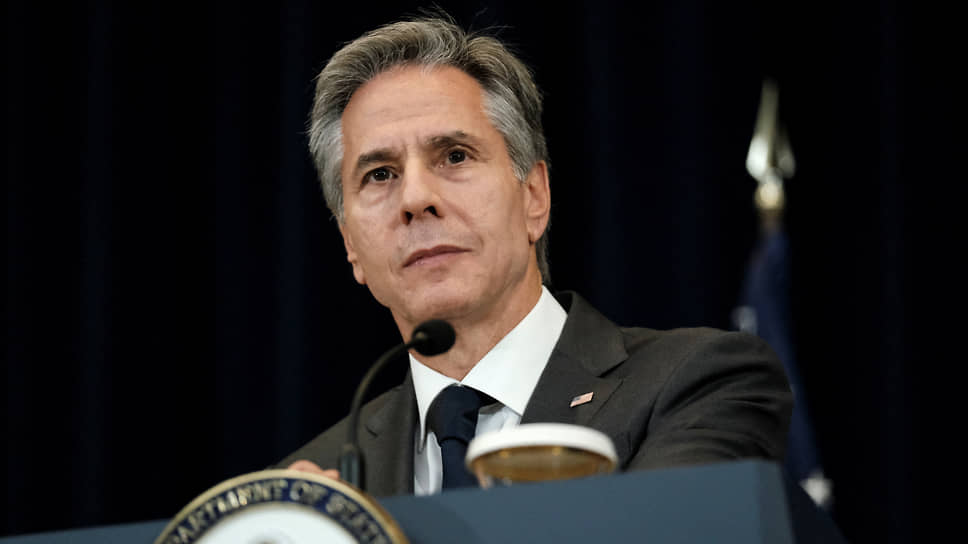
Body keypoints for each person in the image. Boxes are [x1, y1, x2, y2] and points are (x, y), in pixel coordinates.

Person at [277, 14, 792, 497]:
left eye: (454, 156)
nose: (415, 198)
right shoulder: (309, 487)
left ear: (534, 196)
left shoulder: (698, 385)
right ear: (350, 244)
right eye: (379, 175)